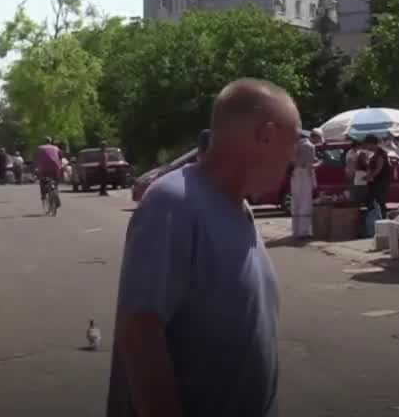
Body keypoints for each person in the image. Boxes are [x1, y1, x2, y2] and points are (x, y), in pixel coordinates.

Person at [107, 78, 298, 417]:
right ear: (266, 135)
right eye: (290, 145)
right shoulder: (174, 203)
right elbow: (139, 334)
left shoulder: (240, 208)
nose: (291, 160)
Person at [290, 130, 322, 240]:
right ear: (315, 137)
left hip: (294, 175)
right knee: (305, 203)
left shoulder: (294, 145)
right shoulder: (310, 146)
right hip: (304, 175)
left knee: (296, 202)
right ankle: (303, 232)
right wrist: (318, 164)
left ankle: (295, 230)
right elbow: (309, 166)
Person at [362, 135, 393, 218]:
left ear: (372, 144)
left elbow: (378, 169)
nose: (366, 147)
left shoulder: (380, 153)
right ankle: (376, 217)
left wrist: (368, 177)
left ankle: (382, 218)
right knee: (373, 200)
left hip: (381, 181)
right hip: (376, 181)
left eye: (367, 144)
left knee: (379, 200)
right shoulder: (374, 153)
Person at [35, 138, 64, 212]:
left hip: (44, 169)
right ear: (51, 142)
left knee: (42, 181)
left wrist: (37, 166)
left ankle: (43, 195)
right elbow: (61, 157)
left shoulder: (40, 148)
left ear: (44, 142)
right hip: (55, 168)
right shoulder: (56, 148)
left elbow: (37, 158)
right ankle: (56, 192)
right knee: (56, 181)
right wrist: (60, 165)